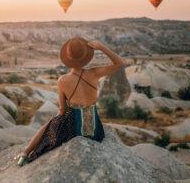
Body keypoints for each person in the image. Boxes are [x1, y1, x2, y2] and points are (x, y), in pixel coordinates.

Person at [17, 37, 124, 166]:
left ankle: (25, 153)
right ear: (85, 57)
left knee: (50, 124)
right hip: (95, 130)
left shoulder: (62, 80)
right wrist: (101, 47)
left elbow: (62, 110)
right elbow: (119, 63)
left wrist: (56, 121)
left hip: (74, 129)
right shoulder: (94, 73)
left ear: (67, 58)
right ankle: (25, 152)